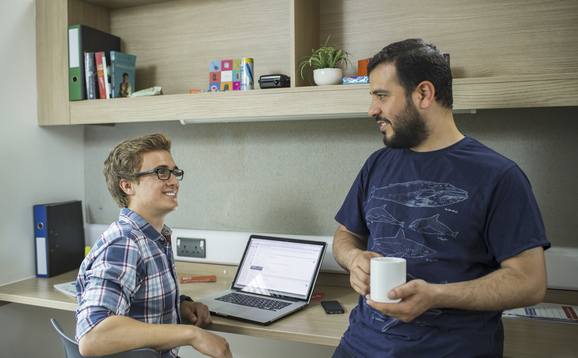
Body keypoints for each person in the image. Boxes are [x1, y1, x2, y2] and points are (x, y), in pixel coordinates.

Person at [332, 39, 550, 358]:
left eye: (382, 95)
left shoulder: (500, 176)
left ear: (423, 94)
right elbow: (345, 235)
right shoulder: (377, 164)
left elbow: (530, 282)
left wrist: (435, 295)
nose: (372, 110)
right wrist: (354, 259)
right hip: (358, 347)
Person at [75, 133, 232, 358]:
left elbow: (138, 307)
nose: (174, 181)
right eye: (161, 172)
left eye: (174, 172)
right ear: (127, 185)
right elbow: (93, 336)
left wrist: (180, 306)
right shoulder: (125, 243)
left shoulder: (152, 238)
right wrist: (192, 334)